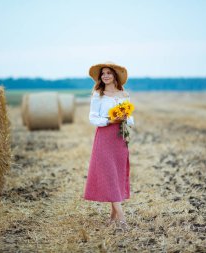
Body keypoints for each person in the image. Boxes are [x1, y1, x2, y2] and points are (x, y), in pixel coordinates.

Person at [83, 61, 135, 230]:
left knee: (117, 175)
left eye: (108, 73)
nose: (105, 76)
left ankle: (112, 217)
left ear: (114, 76)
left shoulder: (124, 94)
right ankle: (121, 218)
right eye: (103, 73)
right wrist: (109, 120)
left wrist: (125, 118)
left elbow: (132, 119)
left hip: (120, 138)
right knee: (109, 175)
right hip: (104, 137)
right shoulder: (98, 95)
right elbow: (92, 118)